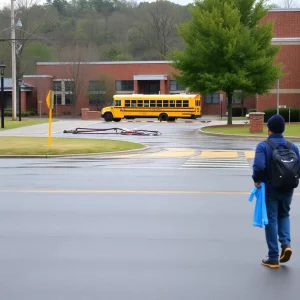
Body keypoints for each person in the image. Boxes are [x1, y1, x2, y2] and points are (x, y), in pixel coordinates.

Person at [252, 114, 300, 268]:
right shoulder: (292, 146)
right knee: (284, 214)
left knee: (271, 219)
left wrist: (257, 179)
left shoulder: (263, 146)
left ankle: (273, 256)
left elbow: (259, 167)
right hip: (288, 188)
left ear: (269, 129)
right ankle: (286, 244)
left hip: (271, 188)